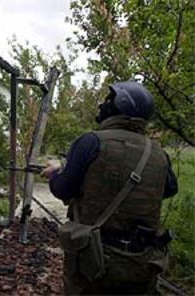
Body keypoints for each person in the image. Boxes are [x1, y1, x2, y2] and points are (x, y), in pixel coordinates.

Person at [41, 81, 178, 295]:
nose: (102, 106)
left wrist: (55, 174)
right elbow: (169, 189)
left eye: (108, 101)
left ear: (120, 106)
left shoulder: (91, 142)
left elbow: (62, 189)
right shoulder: (159, 153)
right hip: (142, 262)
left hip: (94, 262)